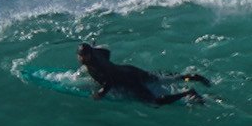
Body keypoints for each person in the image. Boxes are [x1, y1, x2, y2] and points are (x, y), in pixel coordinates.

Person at [76, 43, 214, 106]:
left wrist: (100, 93)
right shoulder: (96, 53)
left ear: (89, 55)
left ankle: (188, 93)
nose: (82, 59)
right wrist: (93, 45)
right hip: (129, 70)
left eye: (85, 56)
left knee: (154, 102)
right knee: (163, 79)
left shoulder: (96, 65)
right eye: (80, 56)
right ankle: (194, 77)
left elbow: (109, 82)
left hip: (130, 81)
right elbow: (106, 51)